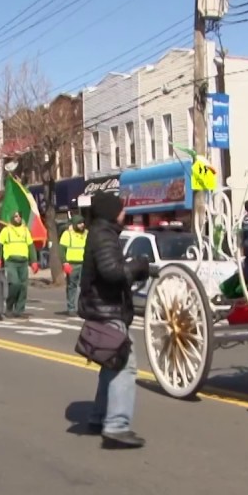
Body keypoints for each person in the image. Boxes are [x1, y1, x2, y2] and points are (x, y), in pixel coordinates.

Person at [78, 192, 150, 448]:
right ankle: (117, 425)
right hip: (108, 310)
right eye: (121, 209)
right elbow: (111, 272)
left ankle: (98, 417)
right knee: (124, 366)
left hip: (102, 308)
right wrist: (137, 267)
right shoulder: (103, 235)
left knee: (111, 363)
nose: (124, 213)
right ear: (111, 211)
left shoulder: (100, 232)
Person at [0, 213, 35, 318]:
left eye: (19, 216)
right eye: (15, 216)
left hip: (23, 262)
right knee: (15, 284)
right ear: (11, 218)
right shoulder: (6, 230)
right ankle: (9, 306)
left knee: (23, 287)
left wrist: (34, 261)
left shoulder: (25, 230)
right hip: (11, 262)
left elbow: (31, 246)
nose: (18, 218)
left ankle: (19, 310)